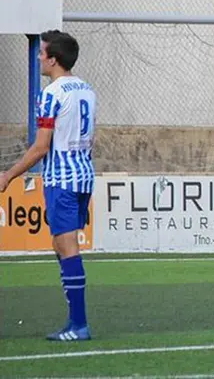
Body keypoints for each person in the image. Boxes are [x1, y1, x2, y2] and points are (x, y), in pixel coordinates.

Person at [0, 30, 95, 341]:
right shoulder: (87, 89)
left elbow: (41, 147)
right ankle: (74, 321)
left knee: (67, 247)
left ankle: (79, 325)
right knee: (61, 244)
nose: (39, 57)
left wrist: (8, 175)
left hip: (62, 180)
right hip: (83, 175)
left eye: (41, 53)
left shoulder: (51, 94)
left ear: (53, 60)